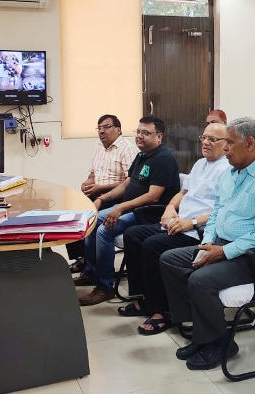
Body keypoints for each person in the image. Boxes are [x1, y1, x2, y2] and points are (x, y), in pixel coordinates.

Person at [160, 117, 255, 370]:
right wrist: (207, 243)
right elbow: (217, 213)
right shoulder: (233, 172)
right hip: (225, 245)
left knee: (201, 280)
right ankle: (202, 333)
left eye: (230, 143)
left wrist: (223, 251)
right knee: (170, 260)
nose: (225, 148)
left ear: (250, 144)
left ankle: (221, 343)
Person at [118, 122, 230, 335]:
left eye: (212, 139)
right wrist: (170, 208)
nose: (205, 142)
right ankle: (144, 297)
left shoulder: (228, 170)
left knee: (152, 245)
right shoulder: (200, 164)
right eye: (204, 137)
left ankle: (161, 311)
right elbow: (182, 193)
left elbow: (222, 211)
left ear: (226, 144)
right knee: (133, 235)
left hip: (197, 230)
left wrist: (191, 222)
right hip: (178, 222)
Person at [76, 116, 180, 306]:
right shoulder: (142, 156)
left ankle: (105, 287)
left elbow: (153, 196)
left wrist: (120, 207)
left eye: (145, 133)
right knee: (92, 219)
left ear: (159, 136)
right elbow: (127, 183)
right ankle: (92, 273)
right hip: (132, 208)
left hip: (149, 214)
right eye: (138, 132)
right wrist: (102, 199)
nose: (139, 136)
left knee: (104, 230)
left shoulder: (163, 159)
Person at [66, 114, 138, 273]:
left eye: (106, 127)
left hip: (116, 197)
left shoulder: (127, 149)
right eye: (99, 128)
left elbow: (129, 182)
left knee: (89, 217)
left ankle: (91, 267)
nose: (102, 131)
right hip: (97, 193)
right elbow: (93, 173)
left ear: (118, 129)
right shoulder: (98, 146)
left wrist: (100, 188)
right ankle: (83, 258)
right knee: (71, 213)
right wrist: (88, 182)